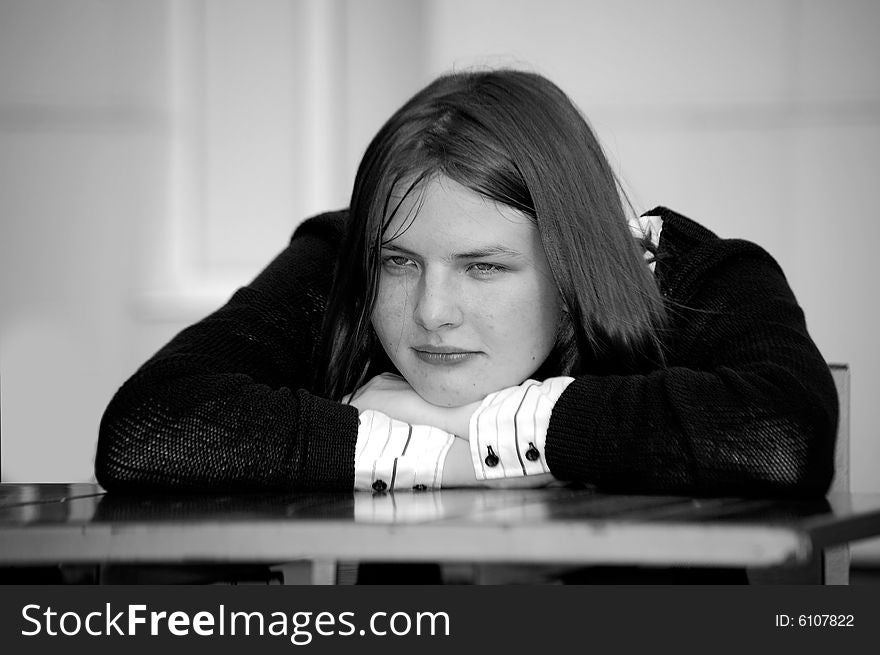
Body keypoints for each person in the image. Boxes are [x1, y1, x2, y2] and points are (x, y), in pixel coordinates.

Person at [95, 68, 838, 502]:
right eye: (399, 263)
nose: (432, 313)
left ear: (576, 261)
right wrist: (435, 458)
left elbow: (779, 439)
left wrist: (477, 431)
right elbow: (148, 429)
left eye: (484, 267)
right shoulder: (338, 259)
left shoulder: (690, 274)